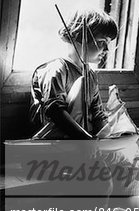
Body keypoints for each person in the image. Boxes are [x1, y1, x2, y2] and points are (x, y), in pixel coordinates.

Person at [30, 8, 118, 139]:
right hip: (53, 144)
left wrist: (106, 139)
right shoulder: (56, 69)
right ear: (78, 37)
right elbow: (55, 111)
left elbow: (97, 114)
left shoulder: (91, 75)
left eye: (108, 44)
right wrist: (86, 139)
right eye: (102, 42)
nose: (106, 49)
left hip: (83, 145)